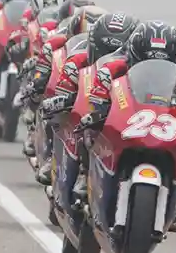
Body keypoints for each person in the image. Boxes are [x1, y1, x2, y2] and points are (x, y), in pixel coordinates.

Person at [78, 20, 176, 233]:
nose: (155, 68)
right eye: (147, 60)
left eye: (165, 63)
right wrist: (97, 111)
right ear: (134, 56)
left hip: (169, 120)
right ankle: (84, 175)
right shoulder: (113, 67)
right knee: (85, 130)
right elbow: (96, 93)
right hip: (130, 116)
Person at [25, 11, 140, 185]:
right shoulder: (75, 62)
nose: (109, 58)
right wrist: (62, 100)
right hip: (89, 109)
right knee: (56, 115)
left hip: (124, 112)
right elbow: (60, 92)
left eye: (116, 52)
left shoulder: (134, 68)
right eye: (105, 52)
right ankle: (65, 162)